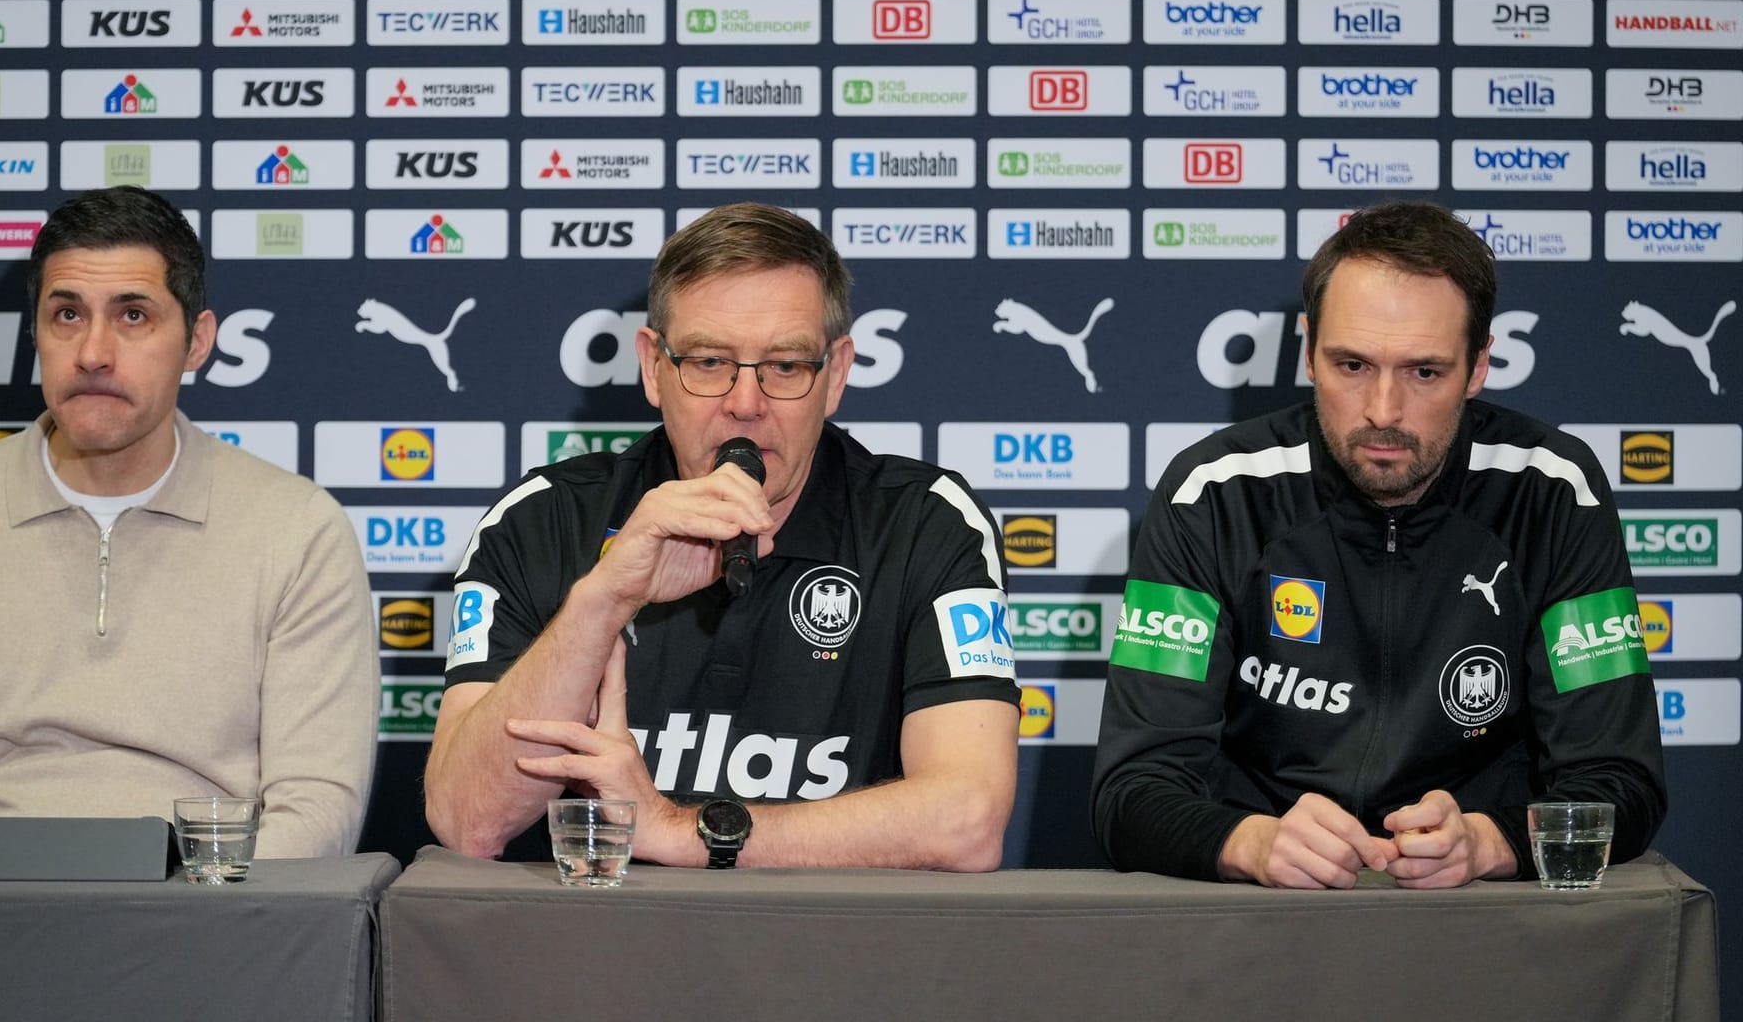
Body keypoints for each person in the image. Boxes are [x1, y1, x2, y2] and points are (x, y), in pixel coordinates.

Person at [424, 203, 1020, 870]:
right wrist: (601, 600)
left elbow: (968, 821)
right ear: (653, 366)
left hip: (841, 956)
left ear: (837, 375)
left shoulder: (925, 523)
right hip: (603, 958)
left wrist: (679, 832)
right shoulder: (543, 520)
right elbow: (470, 823)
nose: (745, 402)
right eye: (708, 362)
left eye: (786, 366)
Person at [1091, 200, 1666, 889]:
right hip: (1262, 923)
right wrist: (1251, 842)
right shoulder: (1212, 493)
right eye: (1352, 365)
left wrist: (1489, 841)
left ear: (1479, 366)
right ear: (1308, 353)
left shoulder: (1553, 491)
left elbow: (1621, 780)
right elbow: (1131, 792)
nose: (1384, 412)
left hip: (1477, 922)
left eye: (1425, 372)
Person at [0, 186, 378, 858]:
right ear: (34, 331)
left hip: (209, 929)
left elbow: (317, 813)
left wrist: (183, 911)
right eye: (66, 314)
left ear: (197, 342)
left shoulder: (297, 532)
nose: (92, 351)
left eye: (132, 315)